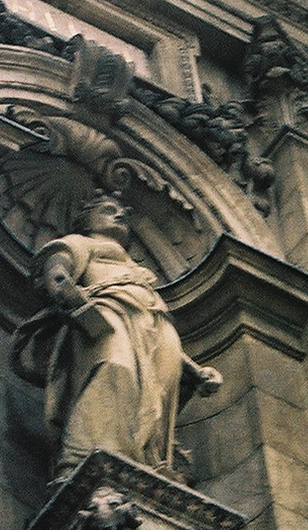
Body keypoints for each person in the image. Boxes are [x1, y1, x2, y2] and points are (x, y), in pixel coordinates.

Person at [11, 195, 221, 482]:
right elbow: (57, 268)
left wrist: (195, 369)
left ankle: (145, 461)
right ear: (86, 220)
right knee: (113, 369)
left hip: (153, 325)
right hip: (108, 317)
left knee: (157, 394)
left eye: (123, 211)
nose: (120, 215)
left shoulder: (135, 268)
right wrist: (63, 287)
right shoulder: (81, 243)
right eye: (109, 210)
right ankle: (77, 459)